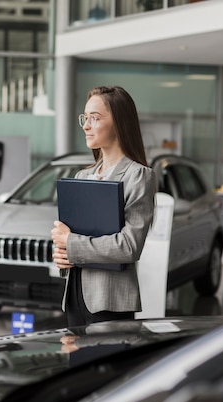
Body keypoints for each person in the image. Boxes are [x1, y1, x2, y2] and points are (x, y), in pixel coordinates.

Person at [51, 85, 156, 327]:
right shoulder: (81, 177)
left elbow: (129, 246)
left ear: (119, 122)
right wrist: (61, 253)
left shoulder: (138, 176)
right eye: (84, 118)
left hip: (110, 301)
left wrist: (71, 244)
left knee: (107, 365)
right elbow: (68, 238)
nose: (86, 126)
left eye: (95, 118)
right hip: (75, 296)